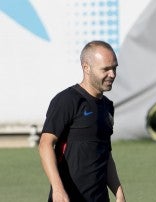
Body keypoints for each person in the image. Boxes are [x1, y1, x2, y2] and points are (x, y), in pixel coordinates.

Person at [39, 40, 126, 202]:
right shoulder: (67, 100)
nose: (112, 74)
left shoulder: (107, 107)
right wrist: (58, 189)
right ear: (86, 67)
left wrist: (118, 191)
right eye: (106, 69)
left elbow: (105, 153)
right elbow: (45, 144)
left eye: (114, 68)